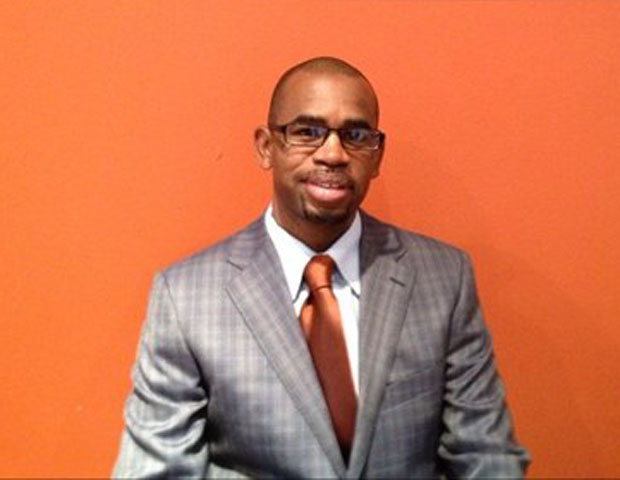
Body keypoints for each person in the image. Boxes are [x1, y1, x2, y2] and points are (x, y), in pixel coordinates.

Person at [113, 56, 529, 478]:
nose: (333, 153)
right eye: (307, 132)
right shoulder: (186, 297)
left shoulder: (444, 278)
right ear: (266, 147)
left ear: (377, 155)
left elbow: (486, 456)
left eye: (355, 135)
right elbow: (156, 471)